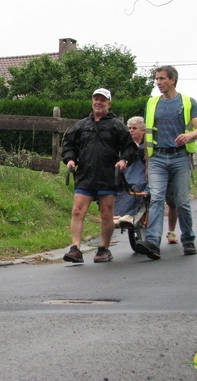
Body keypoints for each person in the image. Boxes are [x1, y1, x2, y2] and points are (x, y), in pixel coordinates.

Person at [61, 88, 137, 263]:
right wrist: (70, 159)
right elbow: (68, 145)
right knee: (77, 211)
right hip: (85, 175)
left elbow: (130, 147)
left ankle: (104, 248)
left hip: (107, 176)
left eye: (102, 100)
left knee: (106, 214)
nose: (98, 102)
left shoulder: (116, 125)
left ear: (108, 104)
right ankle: (75, 249)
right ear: (92, 101)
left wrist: (124, 160)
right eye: (96, 99)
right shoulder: (81, 126)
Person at [136, 65, 197, 259]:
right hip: (157, 157)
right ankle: (152, 242)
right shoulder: (152, 103)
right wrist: (148, 164)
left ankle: (188, 239)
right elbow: (148, 135)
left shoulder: (188, 102)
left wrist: (189, 136)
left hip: (180, 157)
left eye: (162, 79)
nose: (158, 82)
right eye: (156, 79)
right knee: (156, 198)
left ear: (173, 80)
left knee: (181, 201)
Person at [113, 116, 147, 228]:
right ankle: (117, 214)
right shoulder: (125, 145)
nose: (131, 130)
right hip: (127, 172)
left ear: (142, 131)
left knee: (136, 185)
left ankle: (129, 214)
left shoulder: (147, 145)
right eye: (129, 128)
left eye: (134, 128)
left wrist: (138, 150)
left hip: (141, 171)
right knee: (119, 185)